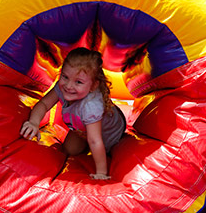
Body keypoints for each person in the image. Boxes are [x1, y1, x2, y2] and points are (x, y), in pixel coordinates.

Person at [20, 47, 126, 180]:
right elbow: (44, 104)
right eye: (65, 76)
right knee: (68, 150)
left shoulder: (90, 106)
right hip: (82, 130)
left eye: (78, 82)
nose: (69, 85)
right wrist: (34, 123)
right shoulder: (62, 87)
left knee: (106, 151)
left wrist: (101, 173)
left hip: (109, 133)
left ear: (93, 86)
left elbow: (95, 140)